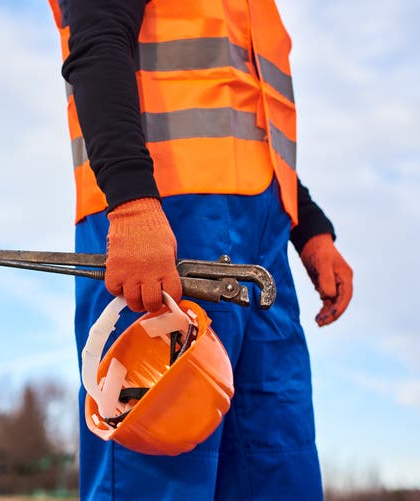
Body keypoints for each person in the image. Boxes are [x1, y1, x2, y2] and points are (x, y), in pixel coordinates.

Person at [47, 0, 354, 499]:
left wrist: (311, 229)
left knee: (277, 465)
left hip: (263, 238)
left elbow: (249, 123)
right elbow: (98, 38)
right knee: (153, 477)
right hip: (161, 224)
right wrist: (130, 203)